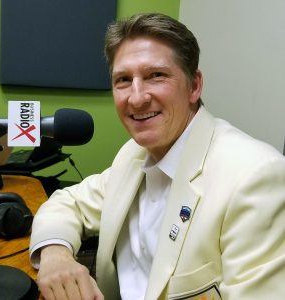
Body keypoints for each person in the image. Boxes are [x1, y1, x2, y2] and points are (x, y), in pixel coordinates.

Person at [30, 13, 285, 300]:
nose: (136, 98)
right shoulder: (134, 154)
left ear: (194, 86)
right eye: (123, 80)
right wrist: (55, 255)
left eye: (156, 76)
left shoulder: (256, 176)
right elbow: (69, 202)